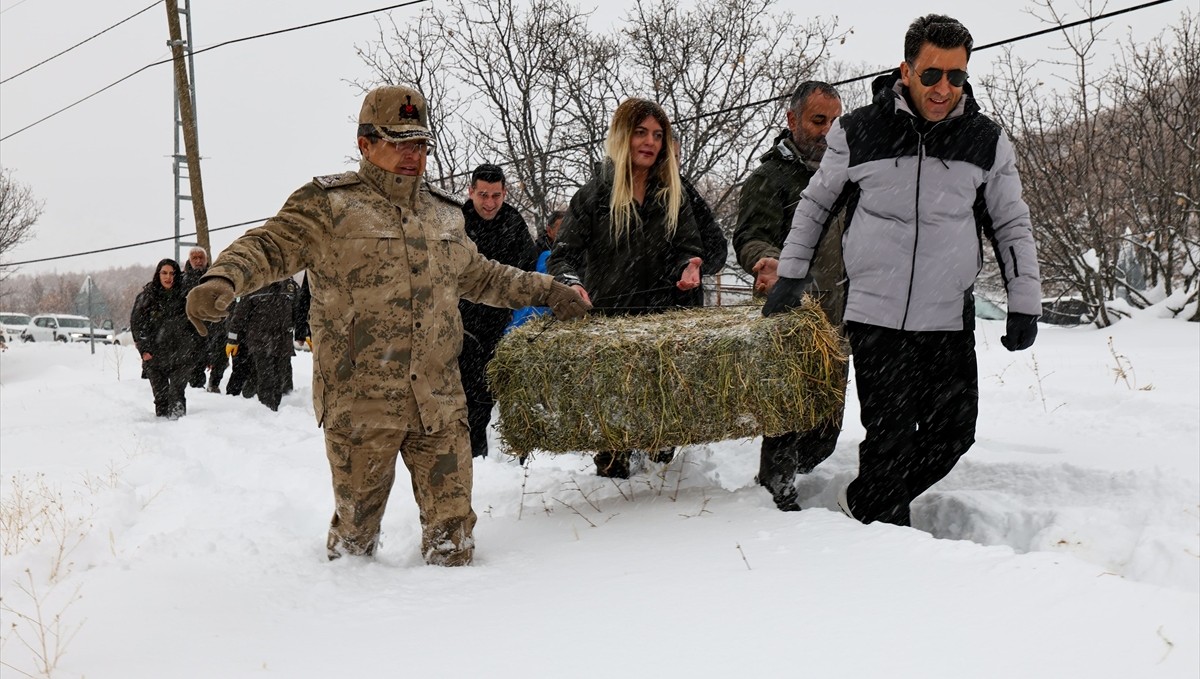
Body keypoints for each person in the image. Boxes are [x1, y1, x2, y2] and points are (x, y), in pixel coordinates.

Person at [185, 85, 590, 566]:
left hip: (438, 402)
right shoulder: (330, 205)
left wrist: (549, 291)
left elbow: (482, 276)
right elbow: (270, 245)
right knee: (355, 543)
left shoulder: (443, 214)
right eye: (398, 142)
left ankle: (464, 629)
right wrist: (224, 276)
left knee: (454, 541)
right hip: (362, 407)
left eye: (419, 144)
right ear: (364, 143)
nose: (411, 155)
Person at [767, 15, 1042, 527]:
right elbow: (815, 205)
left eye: (956, 76)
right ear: (906, 69)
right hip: (877, 315)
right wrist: (791, 273)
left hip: (946, 317)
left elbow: (1011, 224)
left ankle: (868, 501)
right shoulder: (860, 132)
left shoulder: (985, 141)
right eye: (932, 74)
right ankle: (886, 543)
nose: (944, 89)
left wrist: (1024, 302)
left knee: (952, 435)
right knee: (889, 437)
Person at [547, 97, 705, 478]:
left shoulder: (673, 195)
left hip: (663, 332)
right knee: (615, 456)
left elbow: (689, 248)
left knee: (663, 453)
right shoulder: (592, 196)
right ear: (622, 136)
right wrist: (572, 284)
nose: (650, 142)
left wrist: (690, 265)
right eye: (640, 133)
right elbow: (561, 257)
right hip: (610, 334)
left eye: (657, 134)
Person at [733, 80, 847, 512]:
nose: (828, 131)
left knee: (825, 430)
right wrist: (766, 260)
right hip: (790, 317)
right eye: (819, 121)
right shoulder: (770, 178)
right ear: (792, 120)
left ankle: (799, 470)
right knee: (785, 412)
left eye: (836, 122)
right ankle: (775, 495)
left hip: (837, 316)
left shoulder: (847, 176)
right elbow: (751, 235)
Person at [457, 164, 540, 458]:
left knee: (488, 393)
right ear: (471, 192)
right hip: (461, 323)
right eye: (483, 195)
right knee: (463, 395)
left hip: (499, 323)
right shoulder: (457, 222)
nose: (489, 203)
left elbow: (528, 269)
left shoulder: (513, 222)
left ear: (505, 193)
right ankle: (468, 454)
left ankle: (493, 456)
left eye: (496, 195)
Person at [130, 258, 200, 419]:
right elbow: (136, 324)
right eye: (164, 273)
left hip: (181, 355)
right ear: (158, 274)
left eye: (172, 273)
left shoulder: (186, 296)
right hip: (155, 356)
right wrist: (144, 350)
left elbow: (197, 325)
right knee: (161, 399)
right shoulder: (146, 297)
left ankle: (180, 431)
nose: (168, 277)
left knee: (177, 395)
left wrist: (194, 350)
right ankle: (162, 433)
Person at [225, 278, 298, 412]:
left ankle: (270, 405)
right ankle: (267, 411)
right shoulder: (253, 285)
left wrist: (302, 332)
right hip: (260, 342)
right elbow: (239, 316)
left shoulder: (290, 286)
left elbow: (299, 311)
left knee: (279, 379)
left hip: (283, 342)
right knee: (266, 378)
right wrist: (232, 340)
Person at [673, 140, 729, 308]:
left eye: (675, 156)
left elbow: (717, 247)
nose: (670, 163)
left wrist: (692, 266)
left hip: (682, 306)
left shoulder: (687, 194)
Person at [181, 246, 230, 392]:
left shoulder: (215, 277)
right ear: (189, 260)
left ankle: (214, 384)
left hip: (216, 326)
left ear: (206, 259)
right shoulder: (183, 280)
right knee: (196, 361)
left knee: (220, 358)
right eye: (194, 258)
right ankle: (197, 389)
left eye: (201, 258)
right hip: (193, 328)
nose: (198, 261)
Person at [507, 210, 564, 330]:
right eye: (561, 229)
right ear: (549, 230)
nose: (566, 233)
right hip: (535, 317)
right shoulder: (536, 255)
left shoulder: (578, 251)